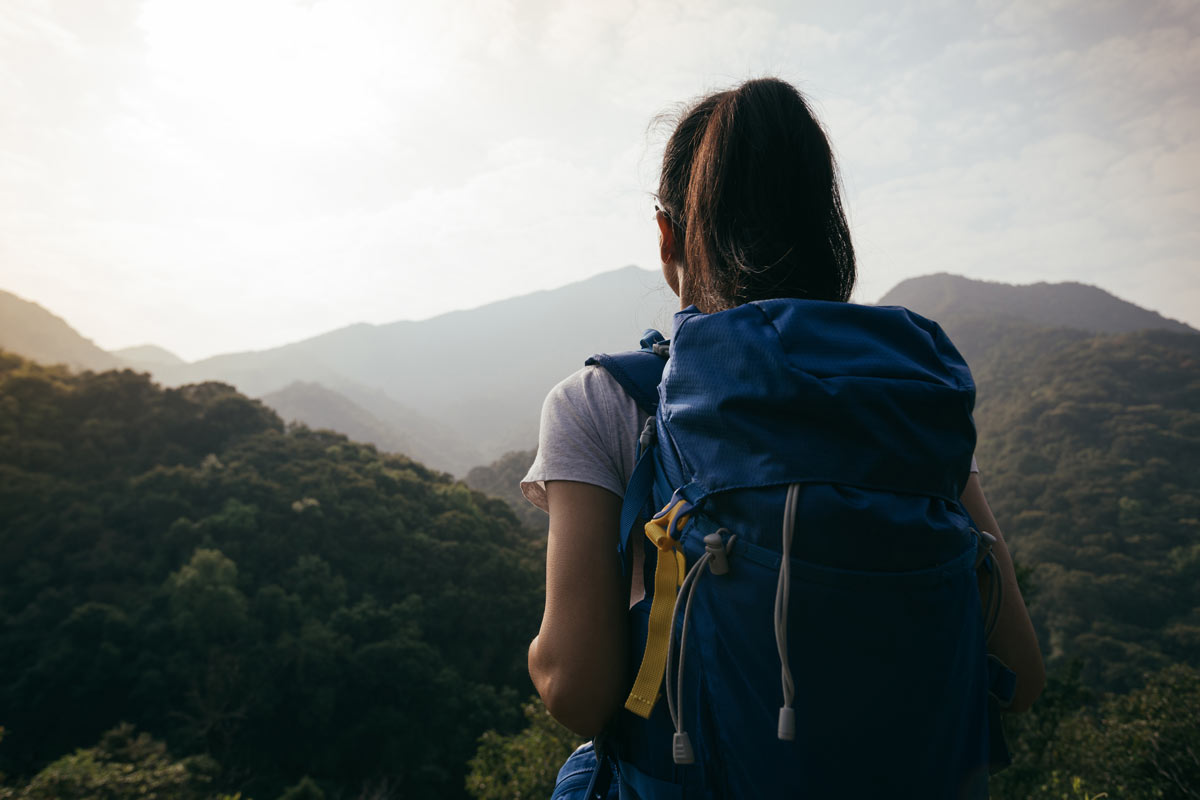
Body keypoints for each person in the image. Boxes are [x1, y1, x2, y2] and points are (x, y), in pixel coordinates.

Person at [522, 77, 1044, 796]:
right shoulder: (906, 404)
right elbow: (1018, 672)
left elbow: (574, 689)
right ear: (828, 232)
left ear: (668, 233)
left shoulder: (605, 401)